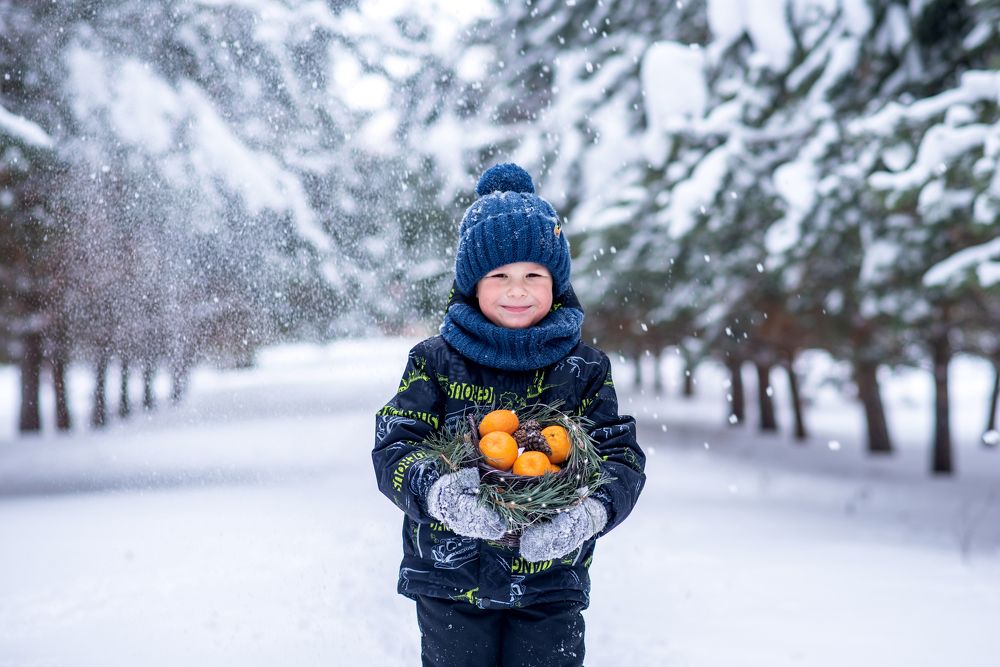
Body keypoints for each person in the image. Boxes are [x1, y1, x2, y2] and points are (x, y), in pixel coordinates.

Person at [373, 163, 646, 667]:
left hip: (549, 579)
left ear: (556, 283)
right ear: (472, 284)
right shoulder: (433, 362)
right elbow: (395, 445)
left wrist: (592, 513)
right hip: (451, 579)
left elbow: (620, 455)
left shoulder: (583, 368)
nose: (516, 290)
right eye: (498, 275)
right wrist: (437, 493)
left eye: (533, 275)